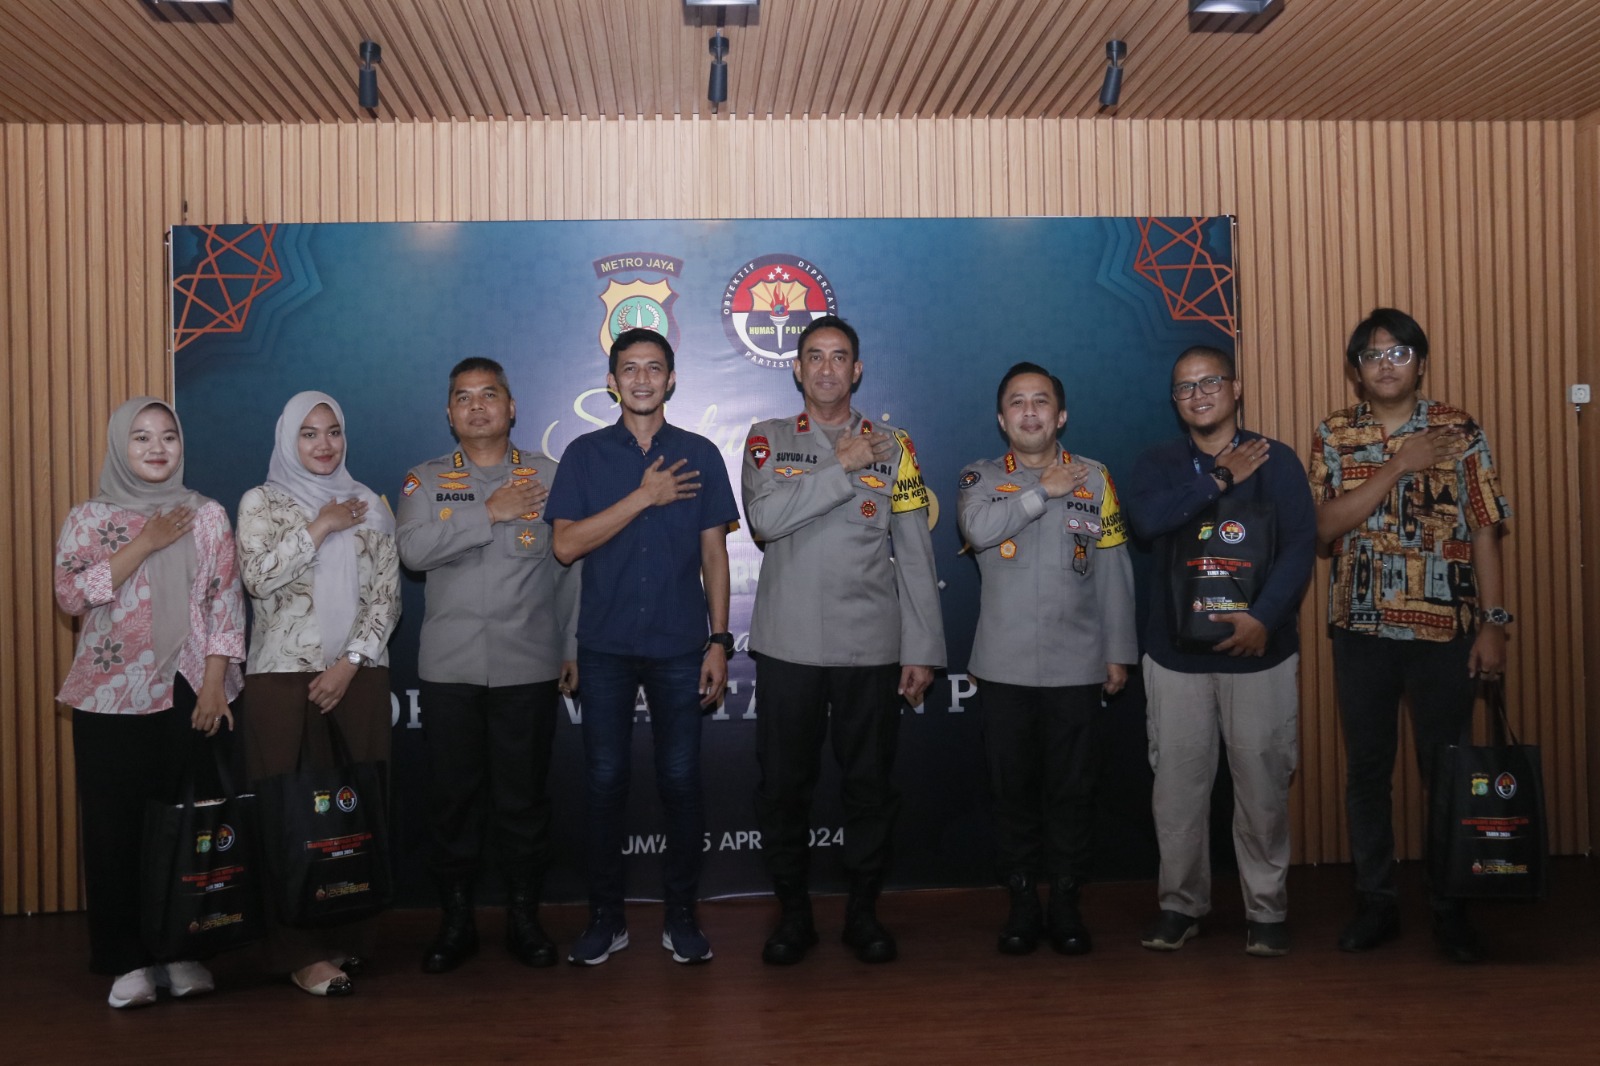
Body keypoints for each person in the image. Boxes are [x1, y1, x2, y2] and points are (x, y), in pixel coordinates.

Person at [741, 314, 946, 966]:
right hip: (789, 646)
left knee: (869, 788)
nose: (827, 368)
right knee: (784, 789)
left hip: (870, 646)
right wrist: (841, 464)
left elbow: (914, 551)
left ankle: (863, 913)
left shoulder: (895, 445)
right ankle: (793, 915)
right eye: (815, 356)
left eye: (839, 357)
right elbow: (766, 521)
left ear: (856, 370)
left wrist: (922, 647)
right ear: (797, 369)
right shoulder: (767, 438)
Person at [1310, 308, 1512, 963]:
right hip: (1361, 629)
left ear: (1420, 363)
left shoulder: (1458, 428)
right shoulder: (1335, 433)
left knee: (1446, 773)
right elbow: (1323, 528)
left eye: (1399, 352)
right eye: (1372, 355)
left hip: (1445, 632)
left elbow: (1485, 528)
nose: (1386, 364)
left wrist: (1495, 624)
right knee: (1368, 773)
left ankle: (1452, 907)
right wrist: (1398, 465)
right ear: (1356, 370)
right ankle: (1377, 903)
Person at [546, 327, 737, 967]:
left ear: (672, 379)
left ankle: (681, 916)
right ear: (611, 381)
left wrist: (719, 640)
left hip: (681, 644)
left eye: (654, 367)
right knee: (604, 782)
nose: (642, 379)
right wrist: (643, 496)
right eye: (630, 368)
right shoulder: (585, 454)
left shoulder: (700, 453)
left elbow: (715, 555)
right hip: (604, 645)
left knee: (681, 781)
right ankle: (607, 918)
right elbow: (565, 546)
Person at [1123, 346, 1315, 957]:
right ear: (1174, 402)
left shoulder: (1277, 461)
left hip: (1260, 655)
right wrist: (1218, 477)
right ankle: (1180, 905)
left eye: (1210, 382)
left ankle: (1267, 909)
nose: (1198, 394)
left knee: (1262, 791)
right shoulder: (1158, 463)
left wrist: (1264, 618)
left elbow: (1300, 546)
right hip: (1176, 659)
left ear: (1237, 389)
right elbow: (1148, 521)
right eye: (1185, 387)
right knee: (1177, 794)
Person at [54, 397, 246, 1008]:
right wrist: (144, 542)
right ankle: (127, 962)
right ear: (120, 446)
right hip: (110, 694)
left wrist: (214, 682)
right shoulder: (89, 518)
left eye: (167, 436)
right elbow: (70, 596)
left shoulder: (207, 515)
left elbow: (225, 600)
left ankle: (183, 949)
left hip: (191, 689)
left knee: (188, 827)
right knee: (115, 833)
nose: (157, 448)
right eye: (141, 437)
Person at [396, 357, 579, 973]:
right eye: (464, 397)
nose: (477, 406)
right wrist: (489, 513)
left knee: (523, 803)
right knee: (453, 802)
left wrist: (572, 645)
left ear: (512, 407)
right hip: (450, 670)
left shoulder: (548, 475)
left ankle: (525, 919)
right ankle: (456, 923)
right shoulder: (424, 481)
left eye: (489, 395)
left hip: (529, 665)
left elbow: (569, 569)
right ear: (449, 414)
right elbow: (412, 550)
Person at [956, 362, 1138, 957]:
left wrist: (1118, 651)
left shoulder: (1096, 477)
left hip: (1077, 663)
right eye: (1017, 402)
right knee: (1011, 794)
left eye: (1041, 402)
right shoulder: (980, 477)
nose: (1029, 411)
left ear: (1061, 416)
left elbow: (1112, 566)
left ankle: (1064, 901)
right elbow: (978, 529)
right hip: (1004, 666)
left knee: (1072, 793)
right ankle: (1021, 904)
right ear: (1001, 418)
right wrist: (1043, 492)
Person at [236, 391, 401, 996]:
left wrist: (350, 663)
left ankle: (347, 936)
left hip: (358, 678)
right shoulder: (261, 502)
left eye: (333, 431)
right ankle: (298, 953)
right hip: (282, 679)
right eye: (309, 433)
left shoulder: (370, 505)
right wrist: (321, 526)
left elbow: (388, 596)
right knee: (287, 815)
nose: (324, 444)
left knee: (355, 810)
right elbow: (257, 577)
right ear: (289, 440)